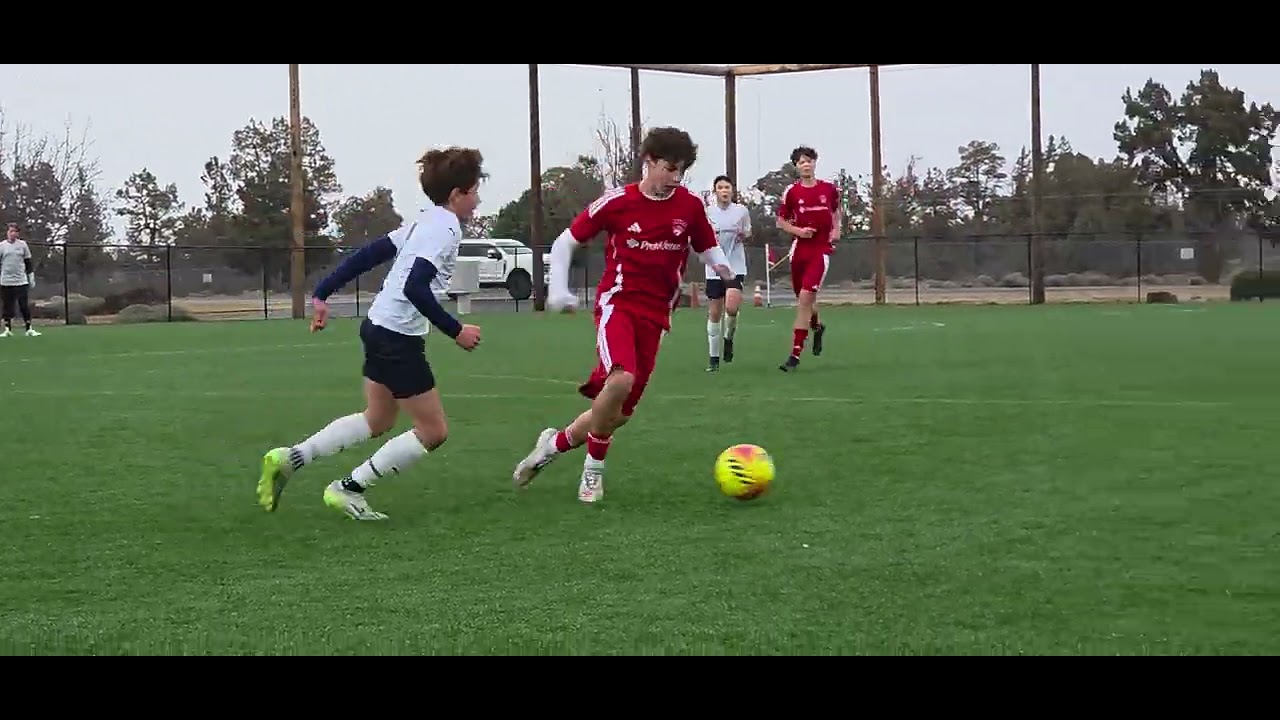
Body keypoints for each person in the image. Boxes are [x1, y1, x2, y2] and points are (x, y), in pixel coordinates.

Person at [256, 147, 485, 521]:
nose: (477, 200)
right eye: (474, 191)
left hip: (377, 326)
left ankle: (291, 458)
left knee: (377, 419)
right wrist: (456, 330)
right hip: (397, 338)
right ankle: (347, 489)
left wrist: (323, 291)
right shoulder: (445, 227)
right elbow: (415, 287)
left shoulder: (424, 221)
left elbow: (370, 253)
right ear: (457, 194)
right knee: (433, 430)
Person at [512, 126, 735, 504]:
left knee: (618, 412)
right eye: (669, 168)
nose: (675, 178)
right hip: (618, 304)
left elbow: (707, 248)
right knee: (620, 378)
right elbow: (566, 241)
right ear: (649, 162)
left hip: (658, 314)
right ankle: (592, 472)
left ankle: (551, 446)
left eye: (681, 171)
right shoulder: (617, 202)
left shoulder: (690, 206)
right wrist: (559, 289)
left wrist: (726, 271)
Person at [775, 145, 840, 372]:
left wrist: (836, 230)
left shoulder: (829, 189)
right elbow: (781, 221)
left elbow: (835, 211)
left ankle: (794, 356)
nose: (806, 164)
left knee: (804, 299)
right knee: (805, 300)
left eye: (809, 160)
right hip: (799, 251)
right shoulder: (792, 192)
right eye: (801, 162)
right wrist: (799, 231)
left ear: (815, 163)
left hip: (820, 251)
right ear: (796, 166)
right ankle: (817, 326)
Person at [703, 175, 751, 372]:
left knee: (731, 308)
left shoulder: (741, 212)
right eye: (720, 187)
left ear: (732, 191)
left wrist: (743, 235)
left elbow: (748, 231)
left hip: (735, 266)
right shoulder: (707, 213)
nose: (724, 191)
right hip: (714, 267)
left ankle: (728, 338)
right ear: (715, 191)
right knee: (715, 312)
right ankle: (714, 359)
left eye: (727, 187)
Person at [0, 223, 39, 338]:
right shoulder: (2, 246)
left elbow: (28, 262)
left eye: (14, 231)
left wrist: (31, 276)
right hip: (6, 281)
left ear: (17, 233)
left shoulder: (23, 245)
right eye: (10, 231)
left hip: (21, 281)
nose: (12, 233)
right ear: (7, 232)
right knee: (7, 306)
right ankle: (7, 329)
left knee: (23, 305)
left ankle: (29, 329)